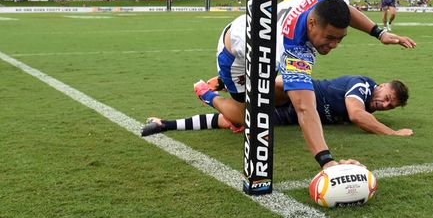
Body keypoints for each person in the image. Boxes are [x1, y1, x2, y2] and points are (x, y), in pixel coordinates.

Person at [193, 0, 416, 169]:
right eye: (330, 37)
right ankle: (208, 94)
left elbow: (345, 9)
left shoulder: (322, 0)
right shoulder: (293, 50)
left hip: (262, 44)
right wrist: (326, 161)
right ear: (311, 25)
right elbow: (305, 109)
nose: (335, 45)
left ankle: (226, 82)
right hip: (236, 55)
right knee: (249, 115)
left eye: (340, 38)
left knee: (276, 98)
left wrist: (379, 33)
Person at [142, 75, 413, 137]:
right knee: (277, 84)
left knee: (238, 120)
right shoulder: (364, 86)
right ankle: (227, 83)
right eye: (387, 97)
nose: (384, 104)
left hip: (294, 115)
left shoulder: (370, 103)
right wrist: (392, 132)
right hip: (298, 93)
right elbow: (356, 115)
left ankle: (164, 123)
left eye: (389, 106)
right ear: (381, 86)